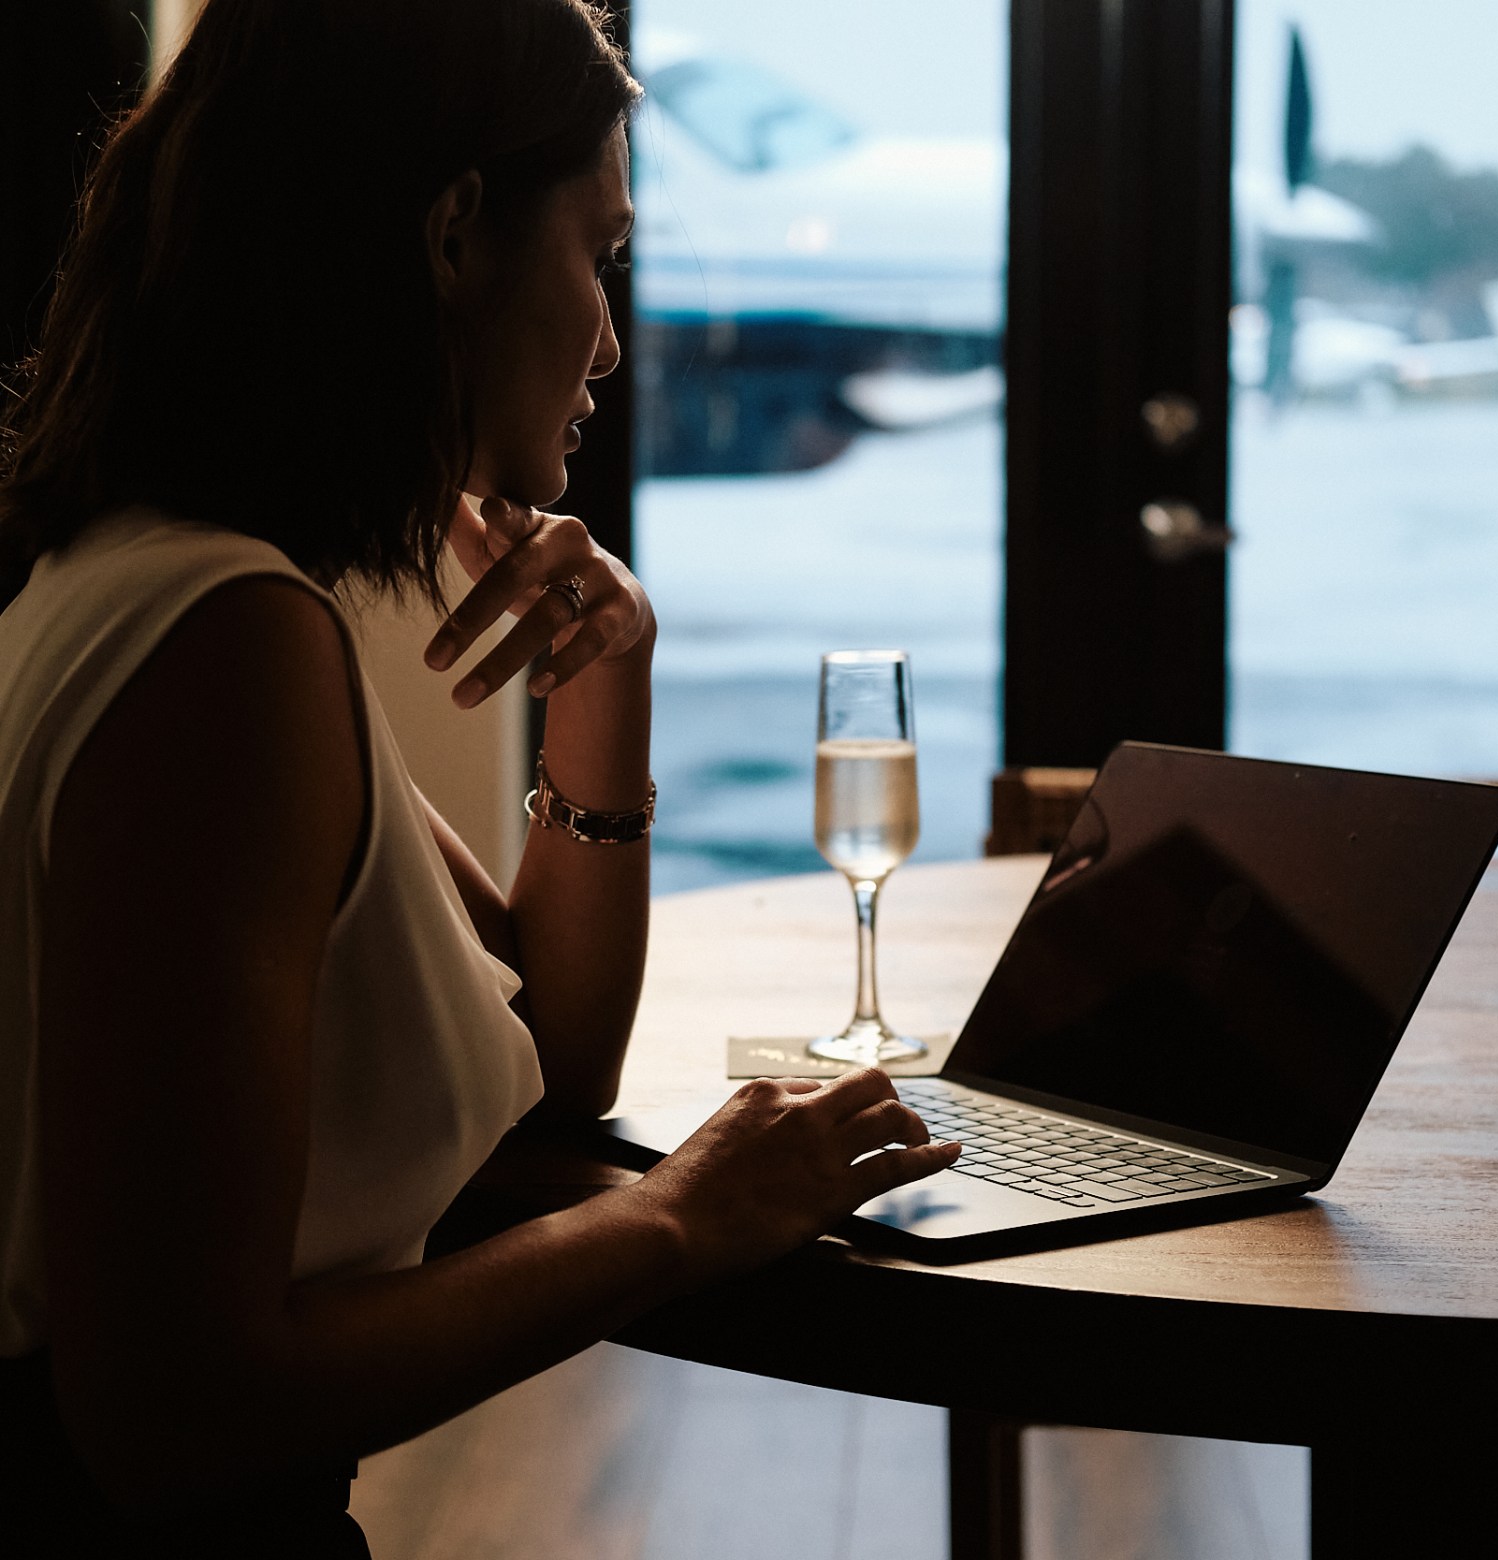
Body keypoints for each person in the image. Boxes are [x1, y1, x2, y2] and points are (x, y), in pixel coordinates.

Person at [0, 2, 960, 1552]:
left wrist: (607, 691)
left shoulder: (174, 576)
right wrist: (672, 1221)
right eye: (602, 257)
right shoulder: (224, 647)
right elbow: (172, 1413)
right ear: (455, 236)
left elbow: (544, 1062)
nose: (611, 338)